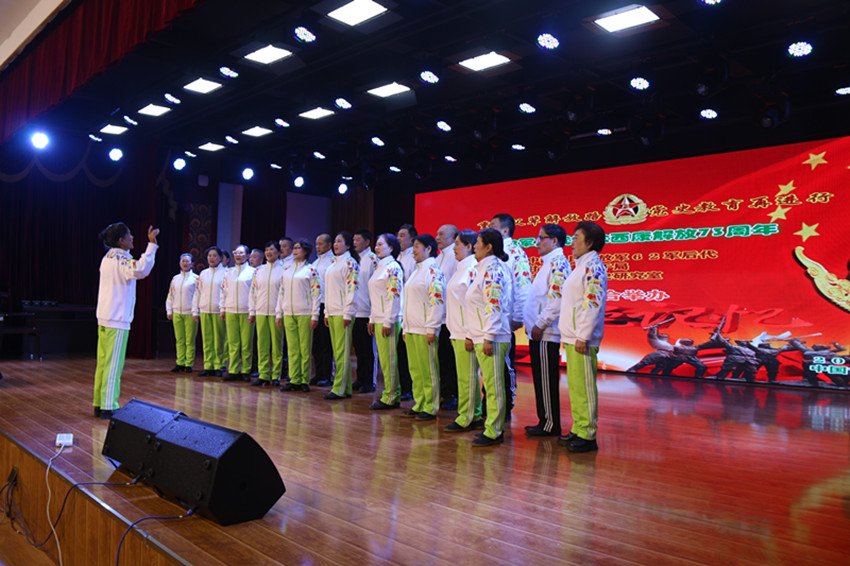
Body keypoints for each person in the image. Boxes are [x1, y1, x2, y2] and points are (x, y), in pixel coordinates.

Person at [92, 223, 159, 419]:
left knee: (103, 363)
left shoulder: (108, 257)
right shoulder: (121, 259)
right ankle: (108, 406)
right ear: (121, 240)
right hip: (117, 318)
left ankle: (99, 403)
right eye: (129, 235)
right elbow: (141, 270)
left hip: (105, 316)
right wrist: (152, 245)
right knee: (113, 365)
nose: (132, 237)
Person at [558, 221, 608, 453]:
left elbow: (592, 304)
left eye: (577, 237)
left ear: (590, 243)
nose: (572, 242)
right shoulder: (580, 266)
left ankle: (588, 434)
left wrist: (583, 336)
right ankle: (578, 427)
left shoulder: (594, 267)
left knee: (585, 387)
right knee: (576, 387)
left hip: (582, 338)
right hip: (572, 336)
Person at [465, 228, 513, 446]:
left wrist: (489, 337)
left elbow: (494, 305)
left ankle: (494, 431)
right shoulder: (483, 269)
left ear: (489, 247)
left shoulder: (493, 270)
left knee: (494, 387)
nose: (474, 246)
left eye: (478, 242)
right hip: (481, 334)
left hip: (492, 337)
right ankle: (491, 427)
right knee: (491, 386)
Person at [523, 224, 570, 437]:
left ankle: (550, 424)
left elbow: (556, 300)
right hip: (539, 331)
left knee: (546, 381)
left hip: (546, 332)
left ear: (555, 241)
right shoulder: (548, 263)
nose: (537, 242)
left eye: (542, 238)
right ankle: (544, 420)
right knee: (541, 380)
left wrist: (540, 323)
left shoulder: (558, 263)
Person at [489, 213, 531, 421]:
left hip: (506, 320)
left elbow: (523, 287)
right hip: (490, 320)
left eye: (493, 225)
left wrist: (518, 316)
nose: (488, 228)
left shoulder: (515, 253)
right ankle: (490, 404)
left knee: (505, 365)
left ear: (505, 230)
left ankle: (506, 404)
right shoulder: (491, 254)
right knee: (490, 367)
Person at [401, 234, 446, 421]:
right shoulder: (416, 271)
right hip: (412, 328)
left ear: (429, 249)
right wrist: (405, 327)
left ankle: (431, 406)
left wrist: (432, 328)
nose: (414, 250)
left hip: (425, 329)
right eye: (413, 246)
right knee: (415, 369)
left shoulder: (434, 271)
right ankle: (419, 403)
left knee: (428, 370)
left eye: (417, 246)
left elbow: (437, 302)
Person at [443, 229, 484, 432]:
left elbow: (474, 305)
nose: (454, 248)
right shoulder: (460, 269)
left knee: (468, 377)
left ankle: (468, 416)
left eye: (458, 244)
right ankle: (471, 414)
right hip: (457, 331)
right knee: (464, 376)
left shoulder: (472, 270)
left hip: (466, 332)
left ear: (469, 246)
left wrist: (469, 333)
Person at [277, 240, 321, 392]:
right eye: (294, 248)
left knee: (305, 348)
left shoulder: (311, 270)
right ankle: (294, 378)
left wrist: (315, 315)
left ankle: (304, 380)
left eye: (298, 248)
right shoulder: (286, 270)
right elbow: (281, 293)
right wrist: (279, 313)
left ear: (306, 251)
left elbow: (316, 294)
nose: (295, 251)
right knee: (292, 348)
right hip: (289, 313)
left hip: (305, 313)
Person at [367, 233, 404, 410]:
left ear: (391, 248)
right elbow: (375, 297)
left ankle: (391, 395)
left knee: (390, 360)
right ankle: (390, 393)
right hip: (379, 318)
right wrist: (372, 318)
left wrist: (388, 321)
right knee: (384, 360)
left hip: (389, 319)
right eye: (376, 244)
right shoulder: (378, 267)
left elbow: (394, 297)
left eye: (381, 244)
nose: (377, 248)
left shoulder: (393, 268)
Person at [323, 231, 360, 400]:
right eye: (335, 242)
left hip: (343, 313)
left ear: (348, 246)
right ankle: (345, 388)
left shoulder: (350, 263)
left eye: (340, 241)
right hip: (332, 312)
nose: (336, 245)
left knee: (342, 351)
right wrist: (326, 312)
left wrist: (348, 312)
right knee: (337, 351)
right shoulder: (333, 263)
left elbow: (351, 289)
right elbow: (328, 290)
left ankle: (339, 388)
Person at [248, 241, 285, 386]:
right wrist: (252, 311)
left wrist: (280, 312)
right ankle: (263, 374)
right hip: (261, 311)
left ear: (279, 252)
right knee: (262, 345)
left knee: (276, 346)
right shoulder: (259, 270)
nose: (269, 252)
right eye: (267, 249)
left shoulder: (284, 270)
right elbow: (253, 292)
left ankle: (275, 375)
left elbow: (284, 293)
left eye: (272, 249)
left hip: (276, 313)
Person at [220, 244, 256, 382]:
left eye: (241, 253)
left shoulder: (253, 272)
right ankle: (233, 369)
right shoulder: (228, 272)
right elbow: (223, 292)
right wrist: (223, 309)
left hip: (246, 311)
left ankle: (246, 370)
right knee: (233, 342)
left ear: (247, 255)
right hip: (230, 310)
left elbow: (254, 293)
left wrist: (252, 311)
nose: (238, 255)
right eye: (236, 253)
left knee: (246, 343)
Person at [435, 224, 459, 410]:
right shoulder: (437, 258)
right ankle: (444, 392)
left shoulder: (455, 257)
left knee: (451, 360)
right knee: (442, 358)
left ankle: (454, 394)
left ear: (453, 238)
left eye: (442, 234)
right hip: (439, 317)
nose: (438, 237)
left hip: (451, 317)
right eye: (437, 234)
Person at [192, 246, 227, 377]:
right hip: (205, 309)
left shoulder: (225, 273)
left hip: (218, 311)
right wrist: (195, 310)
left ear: (220, 258)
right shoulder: (203, 273)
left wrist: (223, 308)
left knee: (219, 340)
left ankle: (218, 365)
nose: (211, 258)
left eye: (214, 255)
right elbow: (198, 292)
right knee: (207, 340)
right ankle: (208, 365)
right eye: (209, 256)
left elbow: (226, 293)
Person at [352, 229, 378, 393]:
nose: (354, 242)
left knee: (369, 350)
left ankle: (370, 381)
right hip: (355, 311)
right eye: (353, 240)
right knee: (359, 349)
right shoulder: (353, 260)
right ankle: (360, 378)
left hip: (367, 311)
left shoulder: (373, 260)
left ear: (367, 242)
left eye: (358, 240)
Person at [166, 253, 199, 373]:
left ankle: (188, 363)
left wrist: (195, 312)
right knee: (179, 339)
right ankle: (180, 362)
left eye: (187, 261)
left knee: (189, 340)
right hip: (177, 312)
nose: (185, 263)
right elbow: (170, 295)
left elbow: (197, 296)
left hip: (190, 313)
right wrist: (169, 310)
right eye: (183, 261)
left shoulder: (196, 279)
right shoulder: (175, 278)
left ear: (192, 264)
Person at [396, 224, 417, 400]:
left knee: (409, 355)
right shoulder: (396, 257)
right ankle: (403, 387)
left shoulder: (414, 259)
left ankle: (409, 389)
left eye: (402, 235)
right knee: (399, 355)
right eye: (398, 235)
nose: (399, 238)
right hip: (397, 312)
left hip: (409, 311)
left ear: (412, 239)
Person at [311, 233, 334, 385]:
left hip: (328, 304)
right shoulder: (314, 263)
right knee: (316, 343)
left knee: (327, 343)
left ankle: (327, 375)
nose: (317, 247)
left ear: (329, 245)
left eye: (321, 244)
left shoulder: (333, 262)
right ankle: (318, 374)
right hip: (315, 305)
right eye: (316, 244)